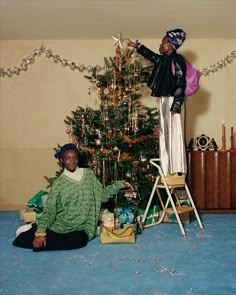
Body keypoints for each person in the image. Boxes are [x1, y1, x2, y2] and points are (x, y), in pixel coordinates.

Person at [13, 143, 133, 251]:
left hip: (83, 226)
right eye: (68, 158)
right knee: (22, 241)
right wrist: (40, 233)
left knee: (78, 242)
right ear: (62, 160)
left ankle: (37, 231)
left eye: (74, 158)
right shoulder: (58, 183)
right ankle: (36, 228)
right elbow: (50, 209)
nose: (72, 161)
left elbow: (101, 196)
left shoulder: (89, 175)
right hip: (61, 224)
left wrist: (119, 185)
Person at [127, 29, 187, 177]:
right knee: (164, 134)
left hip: (173, 100)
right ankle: (166, 169)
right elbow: (152, 56)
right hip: (164, 100)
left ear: (171, 44)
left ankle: (177, 168)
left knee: (175, 133)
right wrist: (137, 46)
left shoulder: (177, 59)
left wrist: (177, 105)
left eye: (163, 42)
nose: (160, 45)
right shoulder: (164, 60)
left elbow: (181, 82)